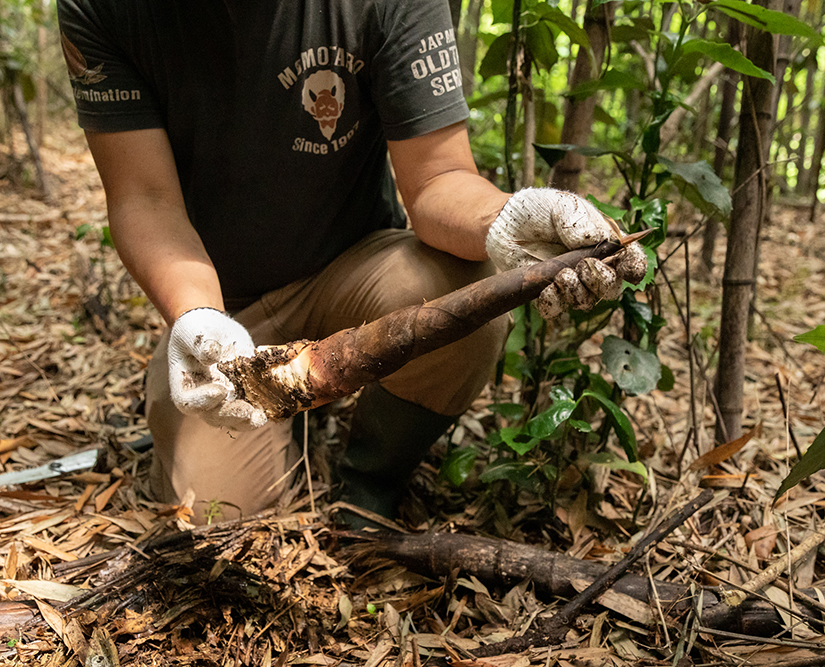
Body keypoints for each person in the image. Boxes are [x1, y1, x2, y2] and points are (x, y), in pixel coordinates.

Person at [57, 0, 643, 524]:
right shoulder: (103, 9)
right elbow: (144, 198)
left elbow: (438, 175)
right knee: (220, 515)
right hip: (225, 308)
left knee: (469, 303)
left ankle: (369, 479)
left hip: (356, 272)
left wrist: (508, 218)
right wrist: (197, 316)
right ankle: (273, 413)